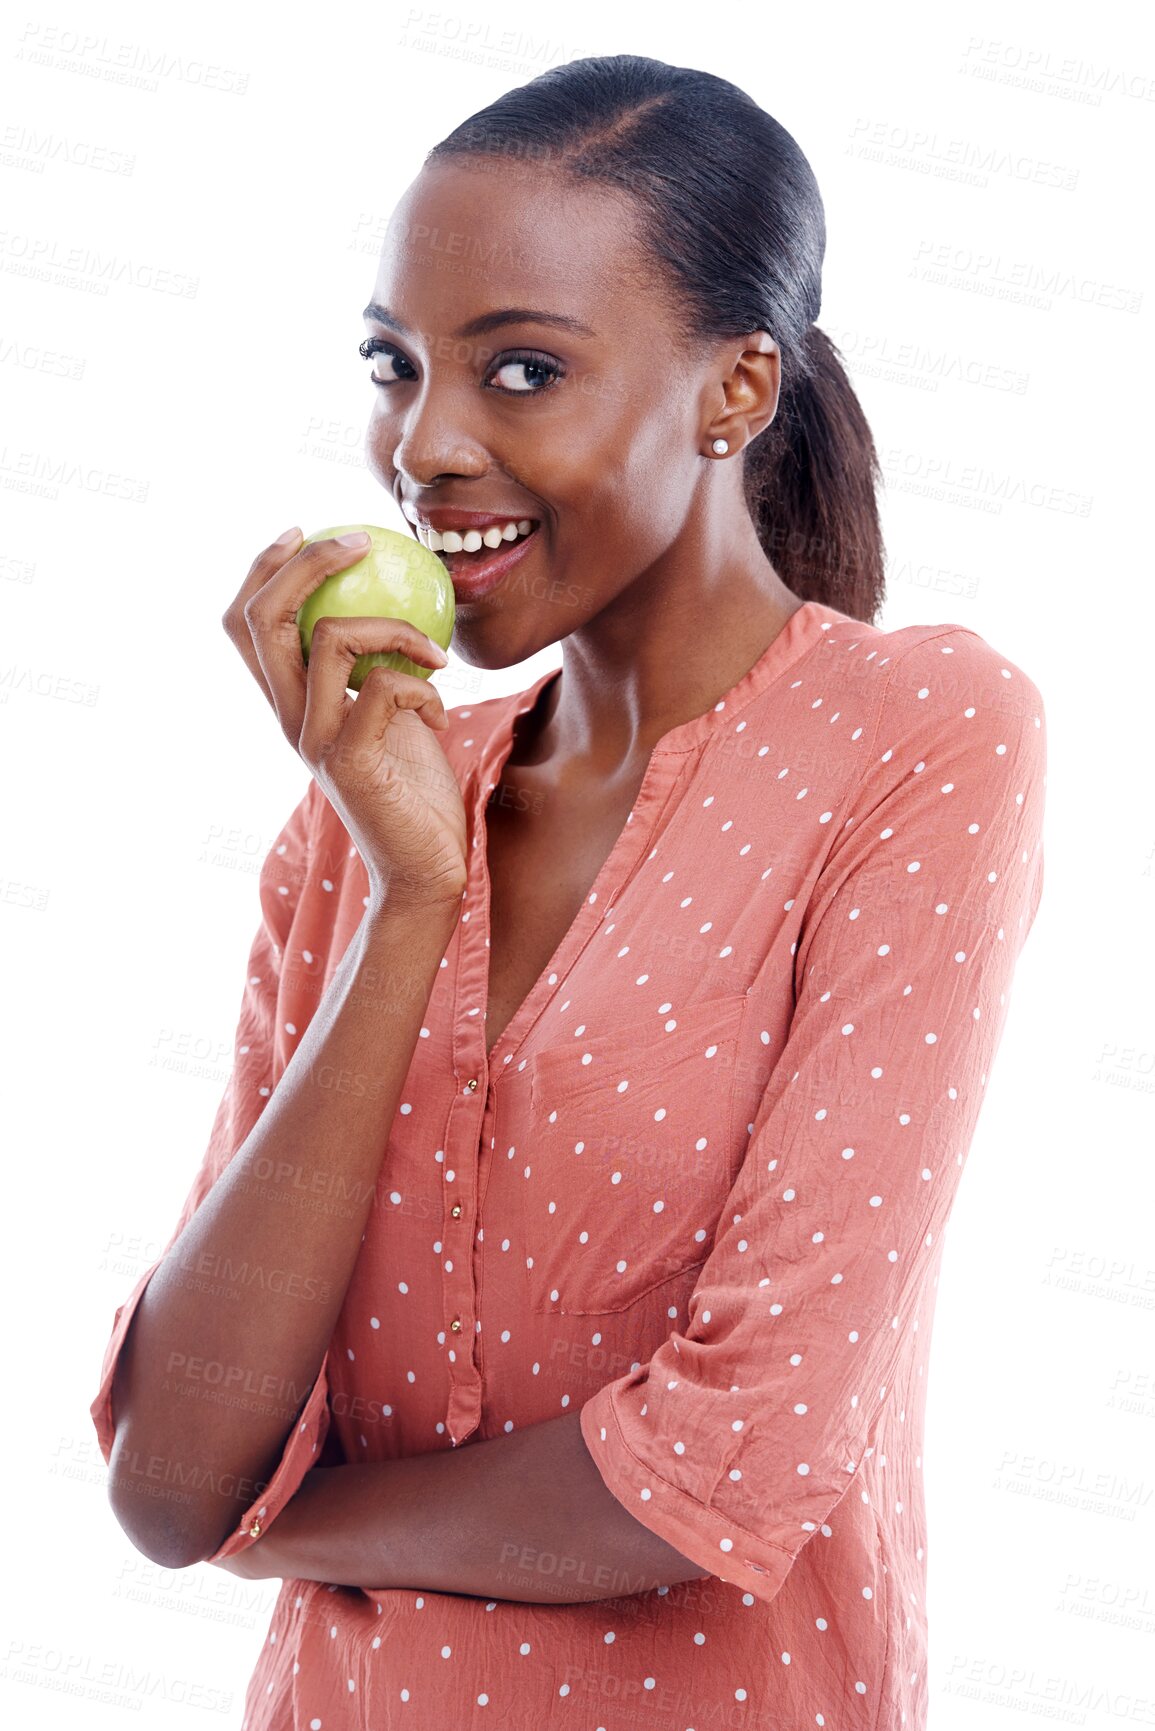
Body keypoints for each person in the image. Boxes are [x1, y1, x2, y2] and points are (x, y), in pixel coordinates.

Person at [91, 53, 1046, 1731]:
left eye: (521, 369)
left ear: (734, 391)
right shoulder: (370, 810)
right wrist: (407, 897)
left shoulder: (919, 743)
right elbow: (173, 1480)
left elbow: (733, 1463)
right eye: (395, 367)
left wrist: (295, 1528)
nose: (425, 444)